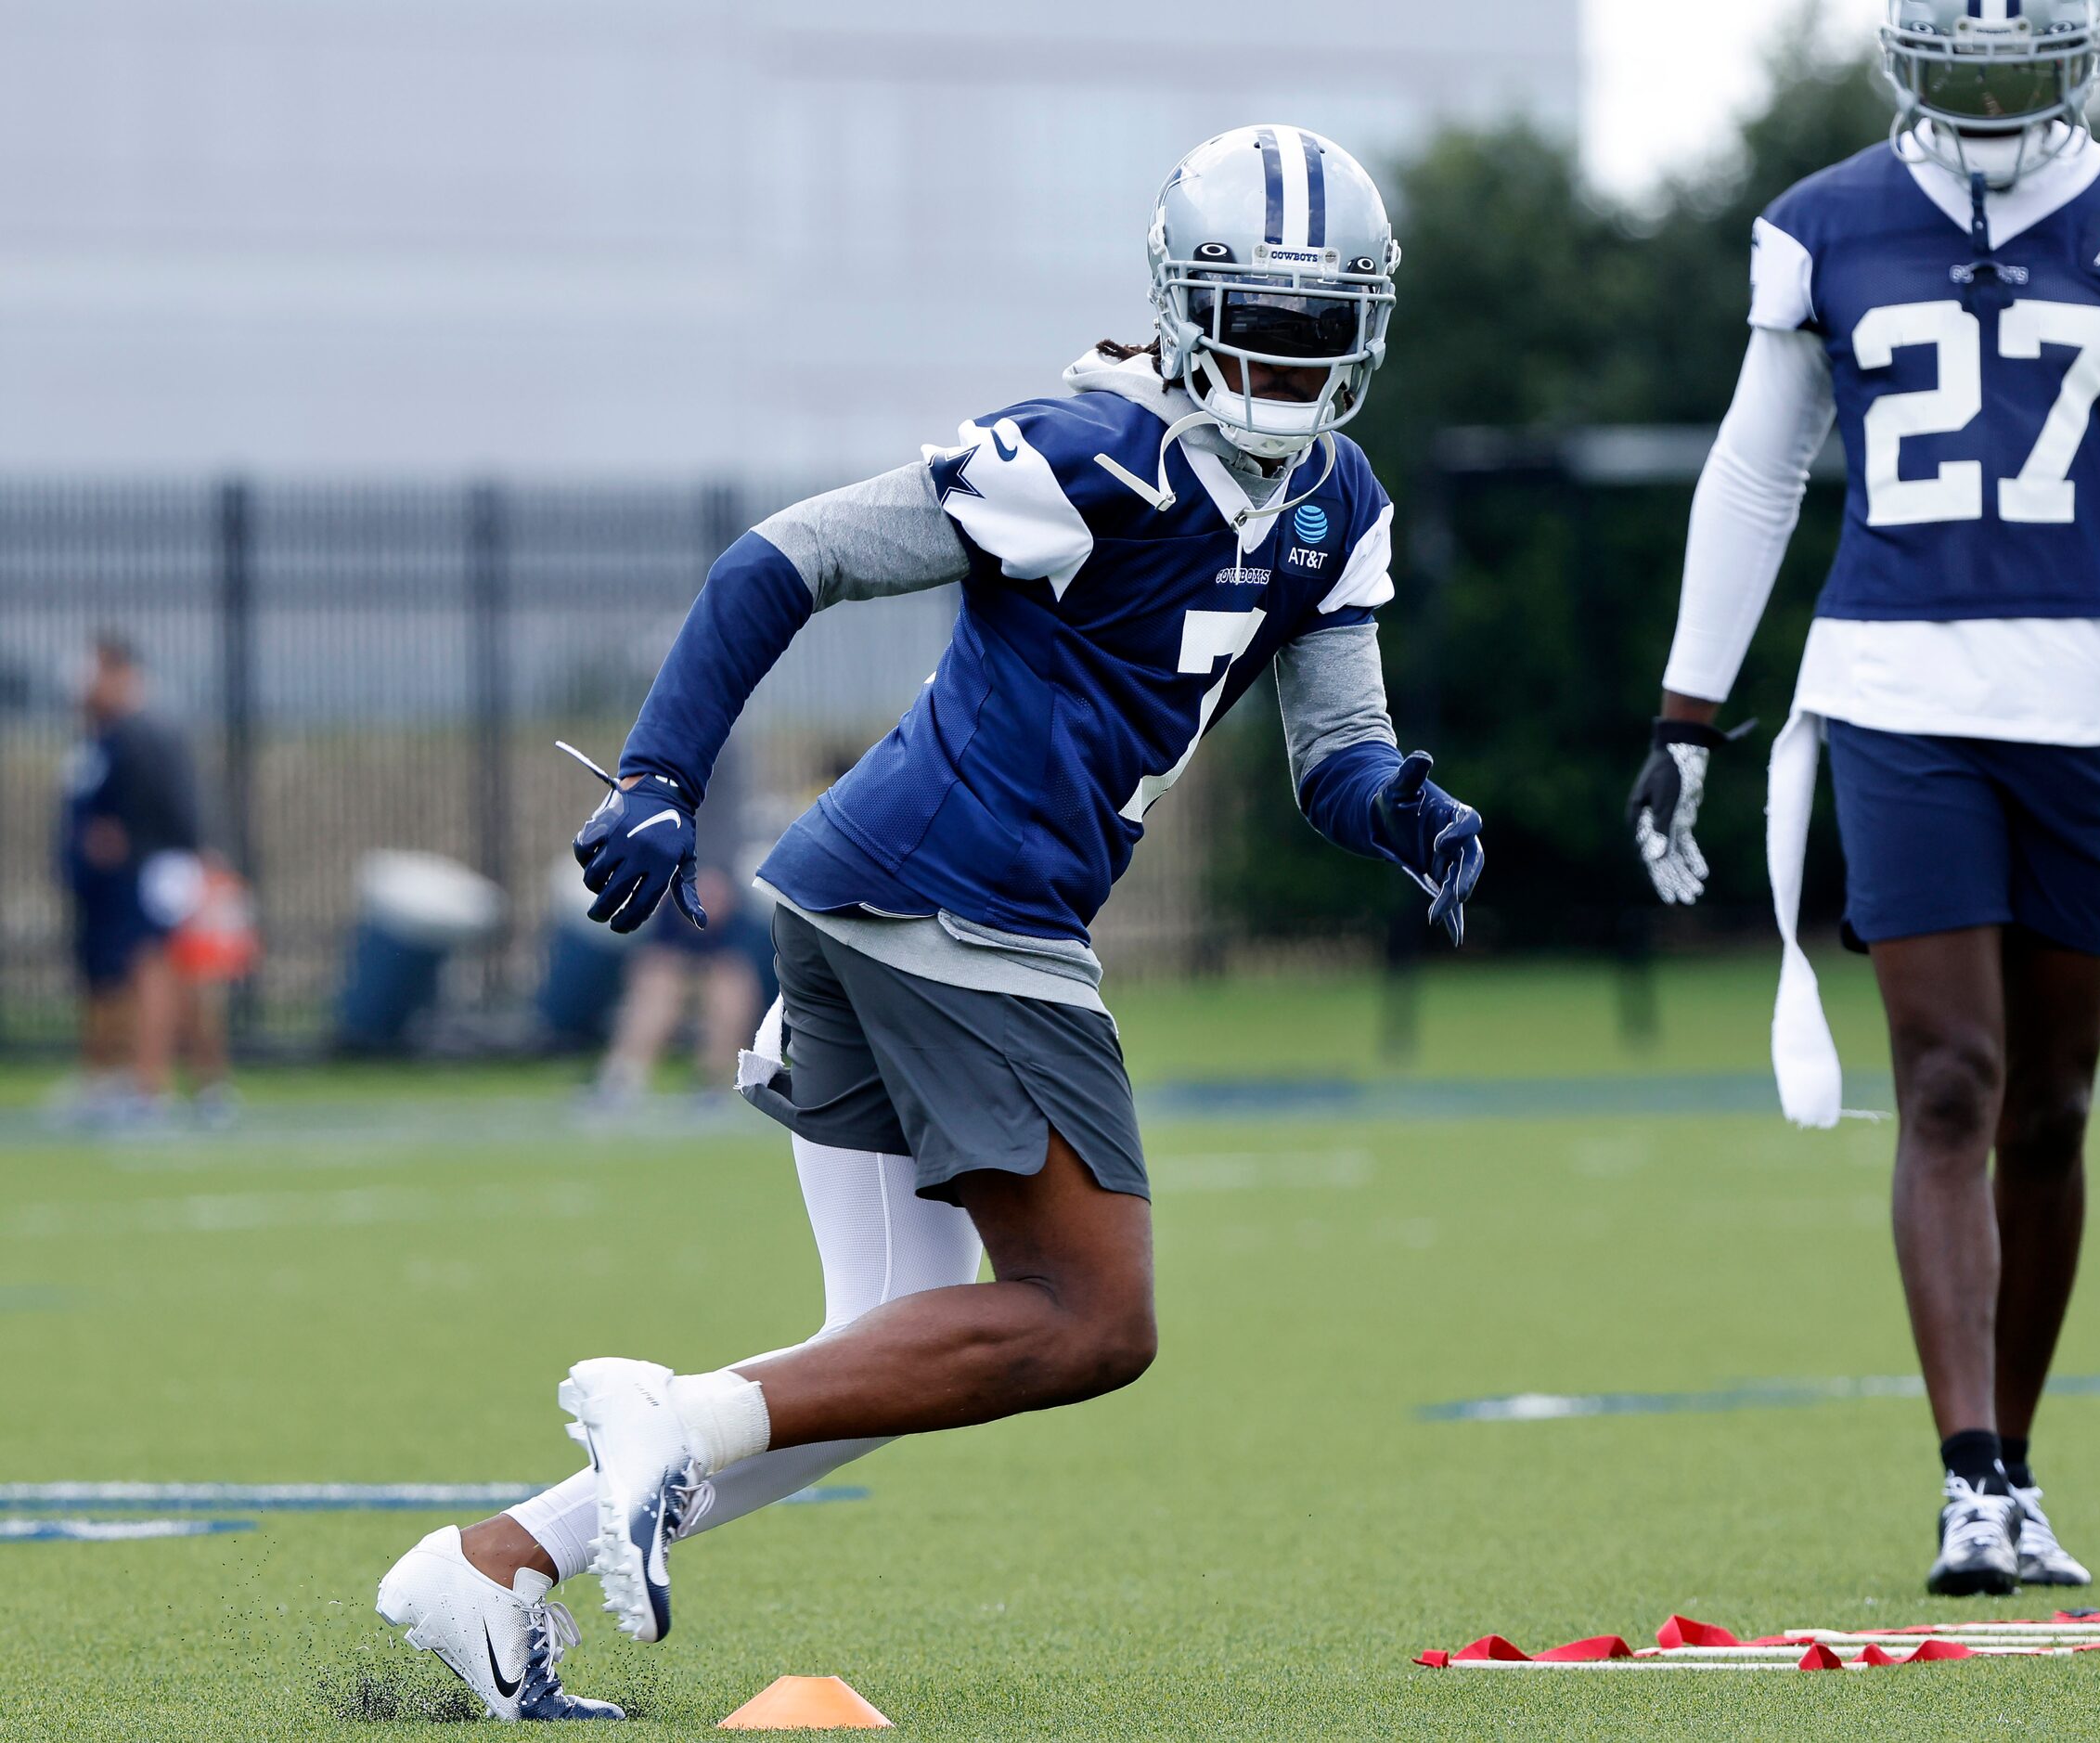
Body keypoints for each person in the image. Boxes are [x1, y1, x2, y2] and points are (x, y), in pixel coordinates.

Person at [378, 124, 1485, 1719]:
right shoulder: (1085, 449)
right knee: (1091, 1317)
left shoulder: (1334, 502)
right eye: (1259, 309)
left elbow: (1335, 749)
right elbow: (793, 554)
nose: (1289, 349)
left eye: (1322, 319)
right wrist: (656, 774)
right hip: (960, 903)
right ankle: (663, 1413)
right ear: (1179, 301)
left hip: (873, 896)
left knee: (882, 1358)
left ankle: (492, 1565)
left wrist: (1401, 807)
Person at [1629, 0, 2100, 1597]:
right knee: (1951, 1079)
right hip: (1894, 694)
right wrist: (1685, 714)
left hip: (2077, 703)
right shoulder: (1821, 223)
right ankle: (1967, 1477)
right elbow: (1754, 476)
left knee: (2049, 1105)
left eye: (2011, 58)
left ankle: (2018, 1460)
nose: (1984, 94)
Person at [56, 636, 234, 1124]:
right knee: (174, 977)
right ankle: (203, 1085)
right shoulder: (128, 730)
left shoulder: (142, 728)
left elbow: (174, 806)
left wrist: (168, 851)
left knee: (156, 972)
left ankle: (151, 1087)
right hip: (161, 867)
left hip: (158, 871)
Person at [582, 737, 766, 1116]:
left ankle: (628, 1080)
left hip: (700, 871)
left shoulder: (708, 729)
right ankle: (718, 1082)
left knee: (672, 970)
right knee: (710, 970)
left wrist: (709, 869)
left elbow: (713, 807)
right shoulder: (716, 725)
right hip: (705, 868)